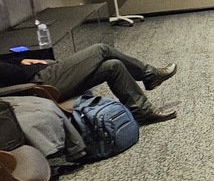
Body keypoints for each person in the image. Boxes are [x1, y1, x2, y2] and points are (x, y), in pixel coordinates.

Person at [0, 44, 178, 125]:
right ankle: (150, 74)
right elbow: (8, 74)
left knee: (113, 66)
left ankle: (143, 112)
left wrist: (19, 60)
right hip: (38, 82)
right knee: (101, 50)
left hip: (35, 75)